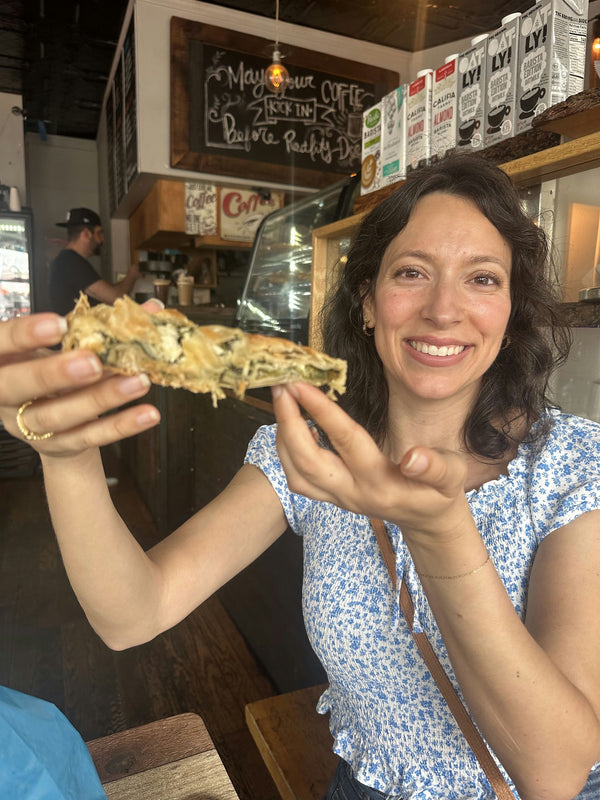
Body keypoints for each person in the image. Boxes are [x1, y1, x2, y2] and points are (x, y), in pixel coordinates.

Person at [0, 154, 599, 800]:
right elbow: (132, 612)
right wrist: (67, 458)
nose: (443, 309)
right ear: (368, 303)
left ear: (509, 320)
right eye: (411, 272)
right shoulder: (306, 449)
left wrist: (441, 532)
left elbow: (554, 774)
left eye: (482, 279)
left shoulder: (568, 464)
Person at [49, 207, 140, 315]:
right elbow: (115, 298)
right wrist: (133, 274)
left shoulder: (67, 260)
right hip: (79, 331)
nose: (102, 239)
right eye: (99, 233)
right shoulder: (71, 262)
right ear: (86, 234)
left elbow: (107, 293)